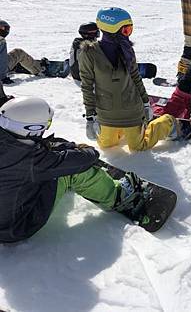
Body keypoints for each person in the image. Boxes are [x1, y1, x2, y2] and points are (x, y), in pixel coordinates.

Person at [0, 97, 145, 243]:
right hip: (15, 227)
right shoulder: (32, 161)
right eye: (46, 124)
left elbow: (41, 150)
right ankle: (118, 196)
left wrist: (66, 147)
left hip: (7, 213)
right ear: (31, 129)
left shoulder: (12, 144)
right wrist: (85, 150)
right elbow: (85, 159)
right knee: (73, 171)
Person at [79, 7, 177, 151]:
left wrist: (145, 103)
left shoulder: (127, 51)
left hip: (131, 110)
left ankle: (168, 122)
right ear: (112, 29)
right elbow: (87, 86)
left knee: (138, 147)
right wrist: (90, 117)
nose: (128, 35)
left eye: (129, 30)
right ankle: (120, 130)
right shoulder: (89, 53)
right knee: (106, 146)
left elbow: (136, 78)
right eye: (125, 30)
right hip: (106, 112)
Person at [0, 18, 47, 84]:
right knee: (19, 53)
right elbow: (1, 60)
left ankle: (12, 67)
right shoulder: (1, 41)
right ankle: (39, 69)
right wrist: (2, 78)